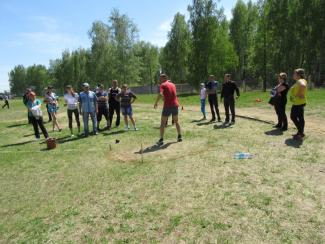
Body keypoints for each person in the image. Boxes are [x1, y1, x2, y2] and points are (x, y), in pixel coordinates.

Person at [154, 74, 182, 146]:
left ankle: (161, 140)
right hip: (175, 105)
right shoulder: (173, 84)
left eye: (160, 78)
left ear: (164, 78)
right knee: (176, 121)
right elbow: (172, 94)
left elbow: (160, 94)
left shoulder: (163, 85)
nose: (159, 80)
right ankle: (179, 136)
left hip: (167, 106)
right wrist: (165, 98)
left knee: (163, 123)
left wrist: (156, 103)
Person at [290, 68, 308, 140]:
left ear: (299, 75)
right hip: (299, 102)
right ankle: (300, 132)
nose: (293, 75)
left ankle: (301, 132)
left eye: (294, 73)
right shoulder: (299, 81)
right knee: (300, 118)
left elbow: (303, 86)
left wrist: (299, 94)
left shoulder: (301, 80)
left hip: (298, 103)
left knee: (293, 117)